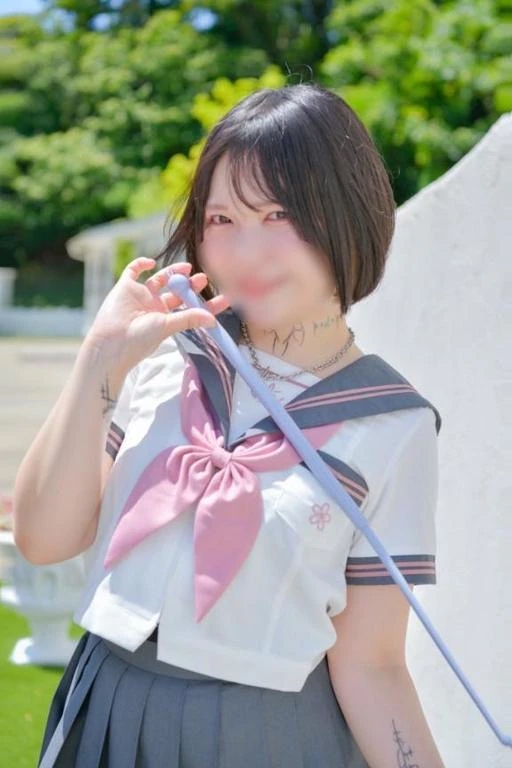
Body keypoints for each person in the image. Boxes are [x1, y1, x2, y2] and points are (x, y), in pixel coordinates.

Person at [14, 83, 445, 767]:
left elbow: (372, 664)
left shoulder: (392, 422)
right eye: (222, 219)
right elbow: (43, 539)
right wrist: (99, 358)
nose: (247, 250)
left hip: (269, 736)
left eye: (279, 214)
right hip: (104, 711)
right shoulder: (163, 361)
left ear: (348, 215)